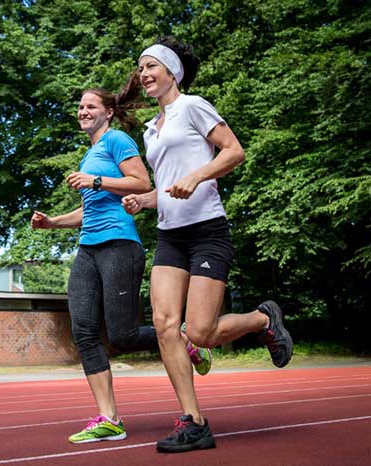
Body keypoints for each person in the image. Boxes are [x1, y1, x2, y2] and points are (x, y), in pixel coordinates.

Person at [121, 36, 294, 453]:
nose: (144, 74)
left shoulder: (193, 106)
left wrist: (198, 176)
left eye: (151, 67)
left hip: (206, 230)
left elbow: (234, 151)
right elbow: (168, 184)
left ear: (171, 72)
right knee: (165, 326)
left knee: (198, 332)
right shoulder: (151, 130)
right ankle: (194, 422)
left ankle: (262, 321)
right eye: (140, 69)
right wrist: (146, 200)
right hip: (170, 235)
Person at [31, 87, 211, 444]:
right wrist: (52, 222)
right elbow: (90, 212)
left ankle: (185, 339)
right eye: (80, 106)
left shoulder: (116, 141)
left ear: (108, 112)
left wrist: (96, 180)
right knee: (83, 330)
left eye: (90, 106)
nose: (83, 111)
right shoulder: (89, 154)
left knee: (123, 335)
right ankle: (109, 418)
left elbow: (142, 183)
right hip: (88, 248)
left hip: (120, 245)